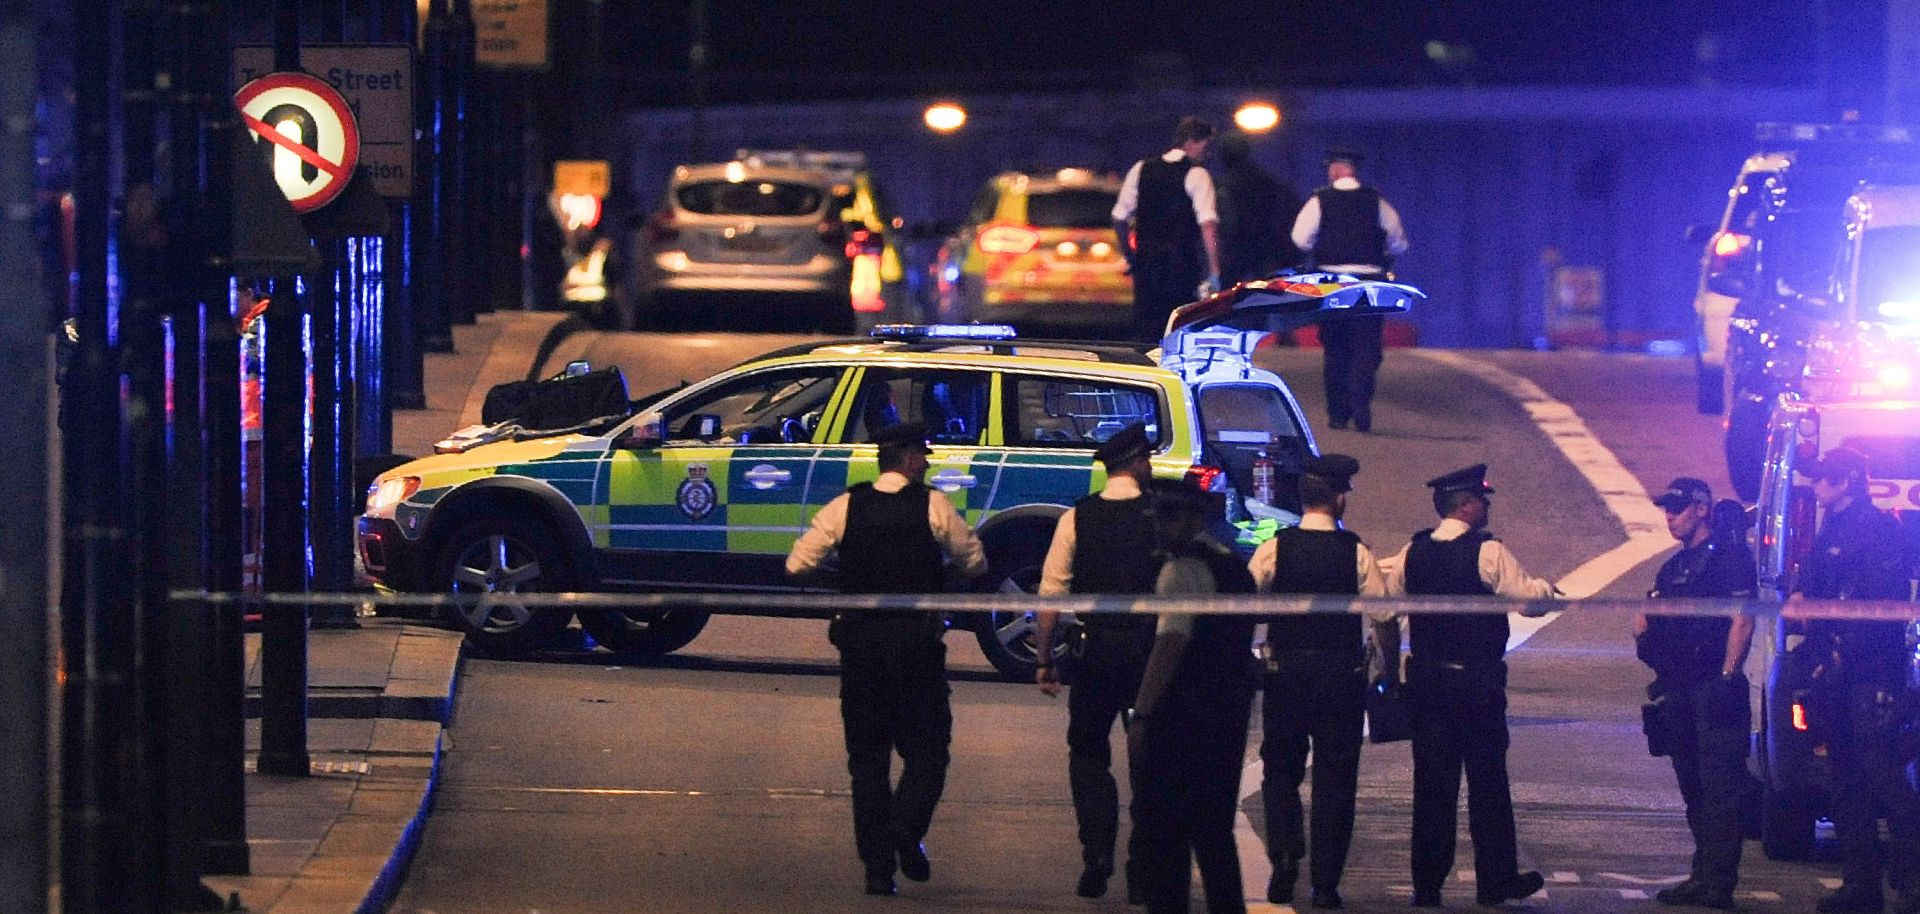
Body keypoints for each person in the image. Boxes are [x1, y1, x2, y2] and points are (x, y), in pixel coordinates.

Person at [785, 421, 987, 897]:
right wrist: (943, 583)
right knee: (928, 751)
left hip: (861, 648)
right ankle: (905, 829)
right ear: (909, 458)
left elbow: (797, 565)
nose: (928, 462)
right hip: (917, 649)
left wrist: (845, 587)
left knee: (868, 761)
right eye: (924, 454)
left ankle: (878, 868)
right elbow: (975, 561)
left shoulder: (846, 505)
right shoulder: (933, 505)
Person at [1382, 464, 1555, 909]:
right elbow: (1528, 601)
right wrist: (1548, 591)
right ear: (1466, 505)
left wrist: (1389, 674)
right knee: (1488, 786)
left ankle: (1427, 886)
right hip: (1477, 686)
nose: (1488, 505)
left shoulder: (1413, 552)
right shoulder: (1488, 552)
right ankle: (1495, 882)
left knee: (1433, 788)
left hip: (1428, 684)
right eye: (1482, 498)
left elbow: (1384, 613)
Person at [1245, 453, 1398, 909]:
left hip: (1285, 673)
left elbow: (1246, 601)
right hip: (1340, 676)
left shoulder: (1275, 547)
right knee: (1335, 780)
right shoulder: (1356, 552)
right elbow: (1384, 616)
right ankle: (1326, 884)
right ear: (1339, 498)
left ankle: (1285, 857)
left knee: (1280, 770)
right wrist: (1388, 669)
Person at [1035, 421, 1162, 901]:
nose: (1149, 466)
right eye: (1146, 459)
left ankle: (1097, 852)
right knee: (1151, 758)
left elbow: (1051, 594)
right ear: (1133, 463)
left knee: (1088, 752)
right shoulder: (1158, 515)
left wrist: (1044, 659)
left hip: (1095, 650)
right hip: (1148, 652)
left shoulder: (1077, 517)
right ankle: (1143, 869)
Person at [1789, 448, 1919, 914]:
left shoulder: (1880, 529)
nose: (1816, 487)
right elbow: (1814, 581)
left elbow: (1874, 605)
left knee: (1885, 779)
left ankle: (1912, 883)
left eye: (1824, 479)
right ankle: (1860, 886)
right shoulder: (1832, 528)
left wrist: (1839, 639)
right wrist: (1802, 596)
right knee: (1846, 783)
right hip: (1835, 674)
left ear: (1845, 481)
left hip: (1870, 672)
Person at [1127, 479, 1260, 914]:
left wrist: (1142, 714)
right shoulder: (1232, 567)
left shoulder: (1180, 569)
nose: (1158, 525)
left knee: (1165, 831)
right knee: (1213, 831)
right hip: (1226, 715)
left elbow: (1171, 642)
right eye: (1156, 515)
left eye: (1167, 515)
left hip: (1181, 717)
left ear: (1193, 518)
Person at [1635, 477, 1757, 910]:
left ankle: (1719, 882)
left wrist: (1727, 674)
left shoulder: (1730, 559)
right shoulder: (1673, 568)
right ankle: (1702, 874)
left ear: (1702, 509)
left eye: (1679, 508)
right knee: (1693, 788)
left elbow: (1742, 620)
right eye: (1667, 508)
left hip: (1714, 687)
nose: (1670, 516)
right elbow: (1646, 622)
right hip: (1680, 689)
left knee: (1720, 789)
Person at [1291, 146, 1409, 432]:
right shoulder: (1377, 202)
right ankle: (1361, 401)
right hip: (1369, 283)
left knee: (1335, 348)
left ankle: (1338, 413)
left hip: (1332, 284)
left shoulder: (1319, 201)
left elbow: (1300, 239)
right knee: (1367, 348)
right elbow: (1399, 243)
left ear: (1334, 169)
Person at [1113, 116, 1224, 342]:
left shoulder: (1141, 169)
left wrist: (1130, 256)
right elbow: (1208, 225)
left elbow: (1119, 218)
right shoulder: (1197, 174)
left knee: (1146, 331)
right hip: (1182, 267)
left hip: (1146, 266)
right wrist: (1214, 271)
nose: (1208, 152)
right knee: (1178, 329)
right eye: (1206, 144)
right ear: (1192, 142)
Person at [1213, 131, 1302, 284]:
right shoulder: (1268, 181)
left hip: (1236, 249)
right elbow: (1287, 211)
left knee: (1229, 296)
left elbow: (1227, 220)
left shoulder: (1224, 185)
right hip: (1267, 249)